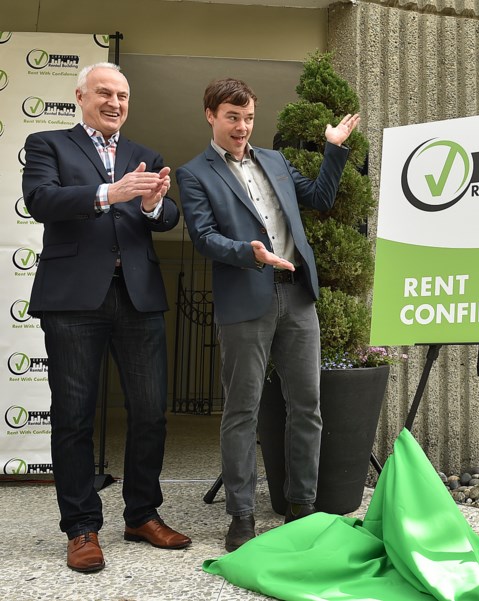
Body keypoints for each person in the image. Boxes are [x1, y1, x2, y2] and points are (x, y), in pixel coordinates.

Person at [176, 78, 359, 552]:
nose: (242, 127)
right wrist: (249, 253)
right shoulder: (195, 173)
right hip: (245, 300)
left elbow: (319, 198)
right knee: (241, 411)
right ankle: (241, 515)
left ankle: (301, 507)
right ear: (210, 115)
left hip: (296, 296)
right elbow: (203, 236)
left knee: (307, 407)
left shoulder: (275, 161)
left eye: (249, 118)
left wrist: (333, 150)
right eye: (232, 117)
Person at [21, 62, 190, 573]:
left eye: (122, 95)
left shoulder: (145, 156)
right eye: (104, 93)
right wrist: (106, 194)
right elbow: (40, 200)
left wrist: (154, 205)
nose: (115, 102)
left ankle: (141, 514)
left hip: (137, 297)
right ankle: (80, 528)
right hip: (73, 300)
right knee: (73, 415)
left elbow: (169, 217)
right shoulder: (49, 143)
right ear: (80, 96)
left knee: (149, 412)